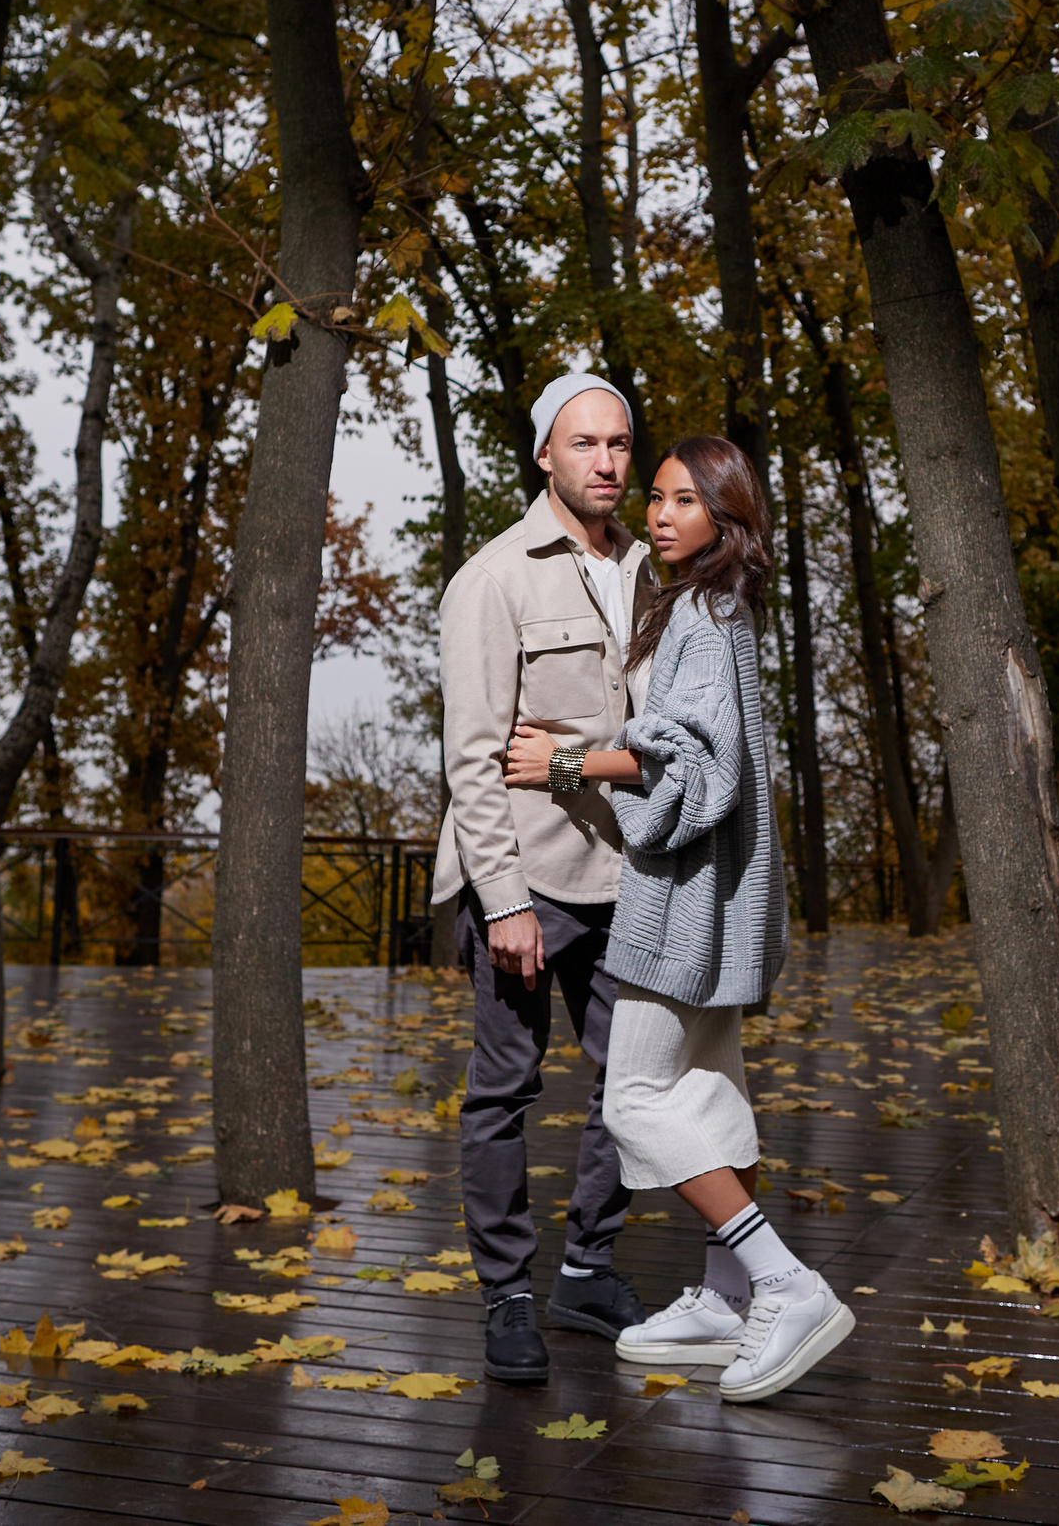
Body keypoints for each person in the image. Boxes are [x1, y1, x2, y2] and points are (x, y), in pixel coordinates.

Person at [504, 434, 850, 1406]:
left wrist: (566, 763)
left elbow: (695, 761)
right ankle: (726, 1297)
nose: (660, 514)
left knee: (636, 1100)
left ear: (727, 517)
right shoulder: (713, 606)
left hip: (685, 897)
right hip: (716, 891)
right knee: (709, 1086)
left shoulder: (704, 611)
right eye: (655, 498)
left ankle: (783, 1281)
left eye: (684, 501)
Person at [434, 372, 652, 1384]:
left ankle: (587, 1269)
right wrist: (504, 899)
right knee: (504, 1090)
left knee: (633, 1087)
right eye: (584, 445)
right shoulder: (495, 578)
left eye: (618, 443)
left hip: (634, 876)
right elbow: (474, 757)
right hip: (532, 878)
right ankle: (507, 1294)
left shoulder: (656, 574)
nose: (606, 462)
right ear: (543, 457)